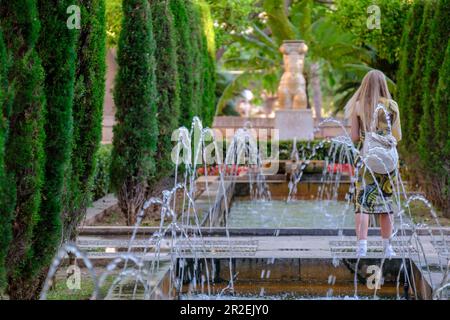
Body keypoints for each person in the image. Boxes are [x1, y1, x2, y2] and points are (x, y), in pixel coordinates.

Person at [345, 70, 402, 258]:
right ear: (384, 85)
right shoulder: (392, 106)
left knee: (363, 203)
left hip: (365, 159)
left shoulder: (359, 106)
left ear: (365, 86)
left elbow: (353, 137)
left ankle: (362, 247)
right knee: (386, 204)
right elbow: (397, 136)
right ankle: (388, 248)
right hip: (387, 161)